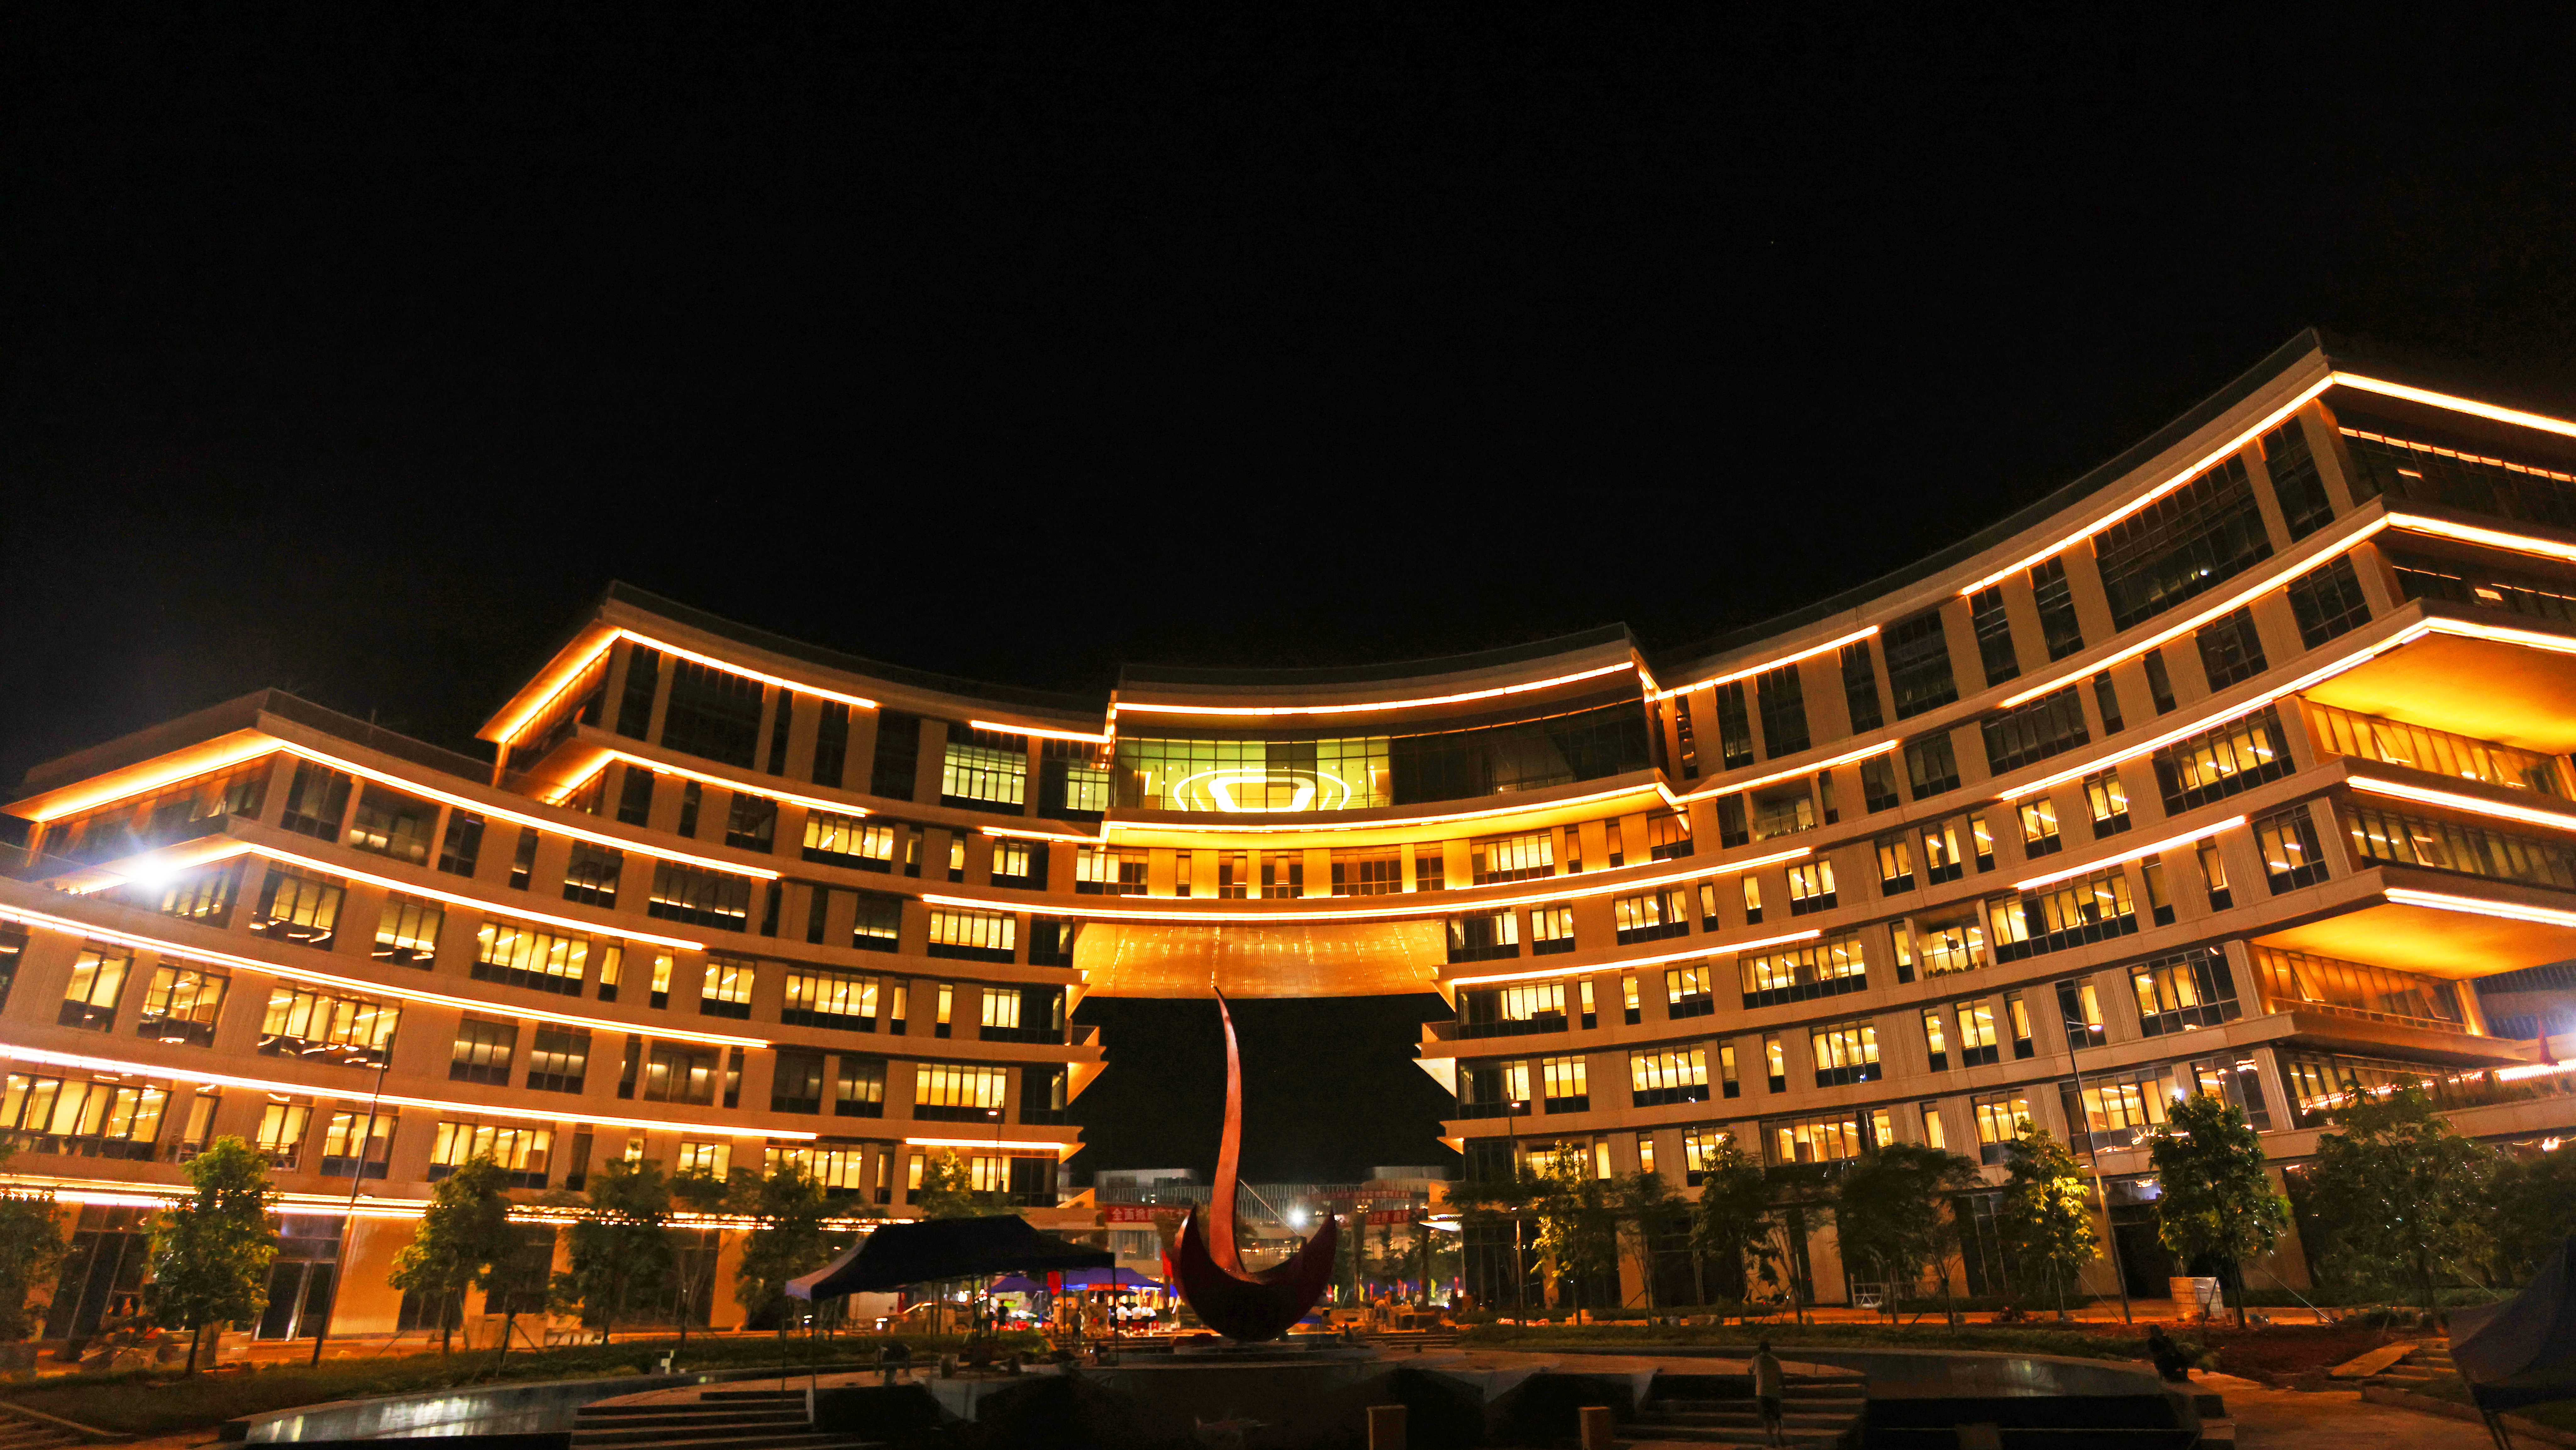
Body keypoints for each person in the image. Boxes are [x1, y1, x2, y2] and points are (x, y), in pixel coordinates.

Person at [1750, 1339, 1787, 1448]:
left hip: (1761, 1392)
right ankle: (1780, 1435)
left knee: (1766, 1418)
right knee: (1778, 1416)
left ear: (1759, 1349)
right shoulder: (1775, 1360)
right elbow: (1781, 1376)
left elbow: (1751, 1371)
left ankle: (1771, 1440)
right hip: (1774, 1392)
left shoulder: (1756, 1359)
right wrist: (1784, 1389)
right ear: (1770, 1350)